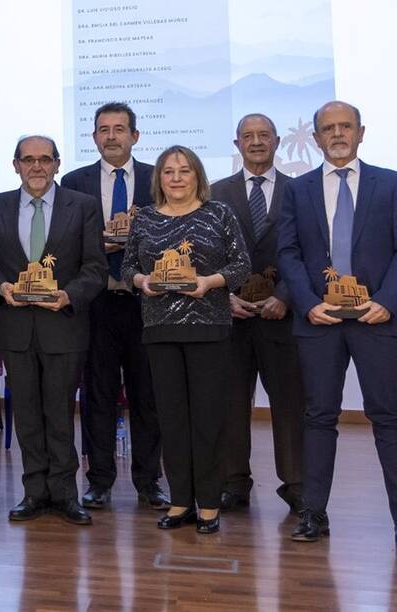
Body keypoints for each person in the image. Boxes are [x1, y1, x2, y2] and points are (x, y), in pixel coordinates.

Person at [277, 101, 397, 544]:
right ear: (316, 139)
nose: (338, 133)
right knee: (318, 416)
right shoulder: (299, 190)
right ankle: (313, 514)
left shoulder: (391, 184)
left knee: (388, 418)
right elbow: (288, 253)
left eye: (345, 126)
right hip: (319, 321)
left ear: (361, 132)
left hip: (378, 320)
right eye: (328, 128)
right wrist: (307, 303)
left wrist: (387, 300)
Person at [0, 135, 106, 526]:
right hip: (15, 329)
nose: (36, 167)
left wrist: (67, 295)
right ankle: (34, 492)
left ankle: (65, 494)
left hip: (63, 326)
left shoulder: (82, 207)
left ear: (57, 164)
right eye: (28, 159)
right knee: (28, 414)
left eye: (44, 159)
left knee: (61, 414)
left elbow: (95, 268)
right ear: (15, 165)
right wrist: (2, 288)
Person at [122, 146, 250, 534]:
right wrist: (142, 281)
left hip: (209, 328)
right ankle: (180, 501)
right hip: (159, 330)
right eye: (168, 172)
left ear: (197, 176)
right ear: (158, 179)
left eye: (184, 171)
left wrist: (209, 283)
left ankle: (209, 503)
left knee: (208, 418)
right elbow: (128, 267)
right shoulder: (143, 218)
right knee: (172, 419)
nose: (176, 178)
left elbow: (241, 264)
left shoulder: (219, 214)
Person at [60, 102, 166, 511]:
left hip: (147, 303)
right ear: (94, 137)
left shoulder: (160, 179)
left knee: (147, 395)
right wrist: (97, 246)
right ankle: (99, 480)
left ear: (135, 136)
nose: (111, 136)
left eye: (119, 129)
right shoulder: (74, 181)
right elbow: (65, 244)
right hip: (96, 302)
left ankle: (148, 482)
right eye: (103, 129)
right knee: (98, 394)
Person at [212, 113, 303, 515]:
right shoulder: (215, 194)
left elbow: (310, 251)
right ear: (237, 145)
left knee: (288, 404)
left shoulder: (300, 192)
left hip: (282, 317)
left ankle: (296, 484)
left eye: (263, 135)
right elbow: (205, 253)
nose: (256, 142)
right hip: (231, 318)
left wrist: (285, 295)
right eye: (247, 136)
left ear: (277, 141)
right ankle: (234, 483)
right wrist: (225, 297)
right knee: (231, 403)